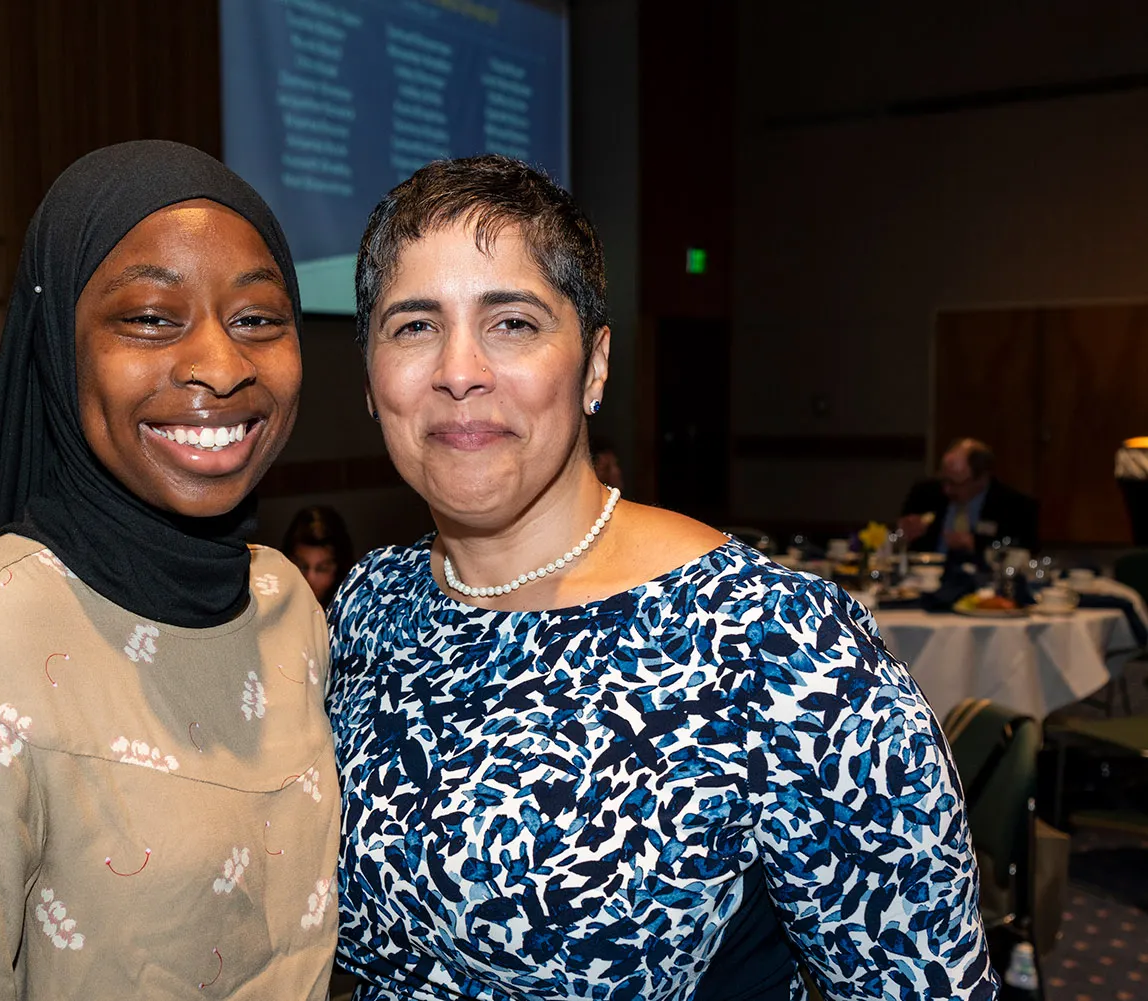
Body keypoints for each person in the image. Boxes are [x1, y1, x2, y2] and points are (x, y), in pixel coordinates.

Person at [326, 155, 997, 999]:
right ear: (370, 377)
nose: (460, 370)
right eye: (414, 325)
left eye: (514, 323)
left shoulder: (777, 642)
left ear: (596, 364)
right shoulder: (369, 605)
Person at [0, 142, 338, 999]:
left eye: (256, 318)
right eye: (148, 317)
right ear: (58, 348)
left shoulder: (286, 603)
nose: (220, 362)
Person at [898, 438, 1040, 556]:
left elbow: (1025, 554)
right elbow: (899, 544)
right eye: (944, 480)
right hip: (924, 580)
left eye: (955, 483)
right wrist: (904, 534)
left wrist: (974, 545)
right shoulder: (925, 493)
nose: (947, 489)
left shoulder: (1016, 506)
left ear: (982, 479)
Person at [281, 505, 355, 607]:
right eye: (301, 566)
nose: (310, 578)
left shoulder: (349, 611)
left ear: (339, 570)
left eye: (322, 569)